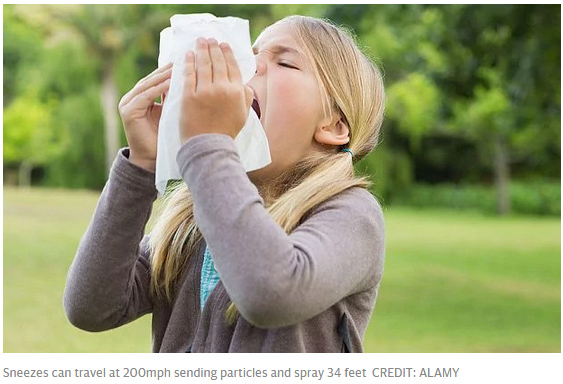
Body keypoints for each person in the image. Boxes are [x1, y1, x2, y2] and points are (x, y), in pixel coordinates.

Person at [64, 15, 385, 353]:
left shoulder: (352, 214)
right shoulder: (193, 216)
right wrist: (142, 164)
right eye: (251, 52)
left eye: (285, 62)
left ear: (334, 126)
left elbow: (270, 294)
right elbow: (92, 307)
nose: (248, 64)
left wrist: (208, 142)